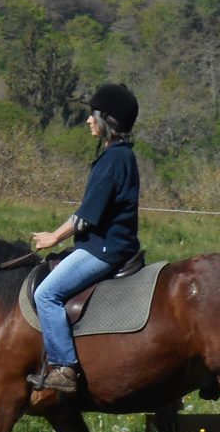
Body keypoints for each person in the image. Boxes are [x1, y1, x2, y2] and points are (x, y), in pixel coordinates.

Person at [26, 83, 141, 393]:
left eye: (94, 115)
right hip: (108, 244)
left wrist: (54, 238)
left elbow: (86, 216)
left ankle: (65, 368)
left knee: (46, 295)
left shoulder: (115, 160)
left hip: (103, 248)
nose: (89, 121)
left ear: (109, 120)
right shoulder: (119, 156)